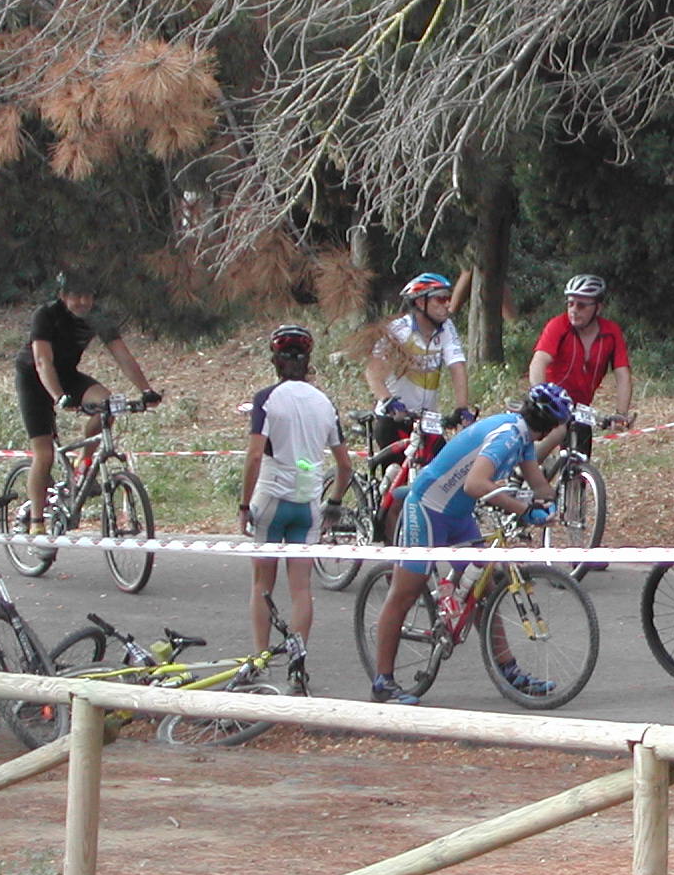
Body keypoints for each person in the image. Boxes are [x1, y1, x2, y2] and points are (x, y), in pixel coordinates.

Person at [368, 383, 572, 703]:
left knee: (484, 588)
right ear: (548, 426)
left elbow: (537, 483)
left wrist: (550, 505)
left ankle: (510, 671)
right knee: (406, 590)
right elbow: (476, 483)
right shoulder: (507, 437)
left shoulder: (522, 437)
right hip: (427, 508)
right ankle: (383, 681)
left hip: (457, 513)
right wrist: (523, 509)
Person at [237, 325, 352, 681]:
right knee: (301, 589)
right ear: (307, 363)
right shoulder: (324, 403)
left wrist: (243, 505)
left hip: (271, 496)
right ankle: (297, 664)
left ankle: (259, 660)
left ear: (275, 362)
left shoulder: (267, 399)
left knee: (262, 585)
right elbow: (345, 466)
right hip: (308, 502)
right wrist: (333, 502)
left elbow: (255, 456)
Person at [13, 269, 160, 543]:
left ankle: (83, 464)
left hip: (67, 374)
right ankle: (36, 522)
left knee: (108, 404)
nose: (82, 302)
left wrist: (146, 390)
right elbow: (43, 362)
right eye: (75, 296)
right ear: (63, 296)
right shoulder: (45, 315)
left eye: (87, 296)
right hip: (34, 378)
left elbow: (123, 356)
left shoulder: (98, 317)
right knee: (44, 454)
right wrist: (58, 396)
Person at [364, 271, 473, 523]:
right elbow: (373, 372)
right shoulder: (398, 331)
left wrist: (462, 408)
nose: (447, 304)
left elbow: (457, 366)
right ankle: (390, 542)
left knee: (444, 478)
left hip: (428, 421)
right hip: (395, 420)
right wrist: (388, 400)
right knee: (398, 482)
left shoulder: (446, 329)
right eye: (440, 299)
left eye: (448, 298)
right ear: (420, 303)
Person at [527, 274, 635, 439]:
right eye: (570, 304)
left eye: (582, 305)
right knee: (554, 435)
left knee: (580, 453)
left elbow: (623, 376)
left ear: (598, 308)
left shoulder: (611, 332)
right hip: (550, 403)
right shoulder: (558, 325)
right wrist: (542, 395)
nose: (574, 310)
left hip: (580, 408)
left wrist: (621, 414)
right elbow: (539, 361)